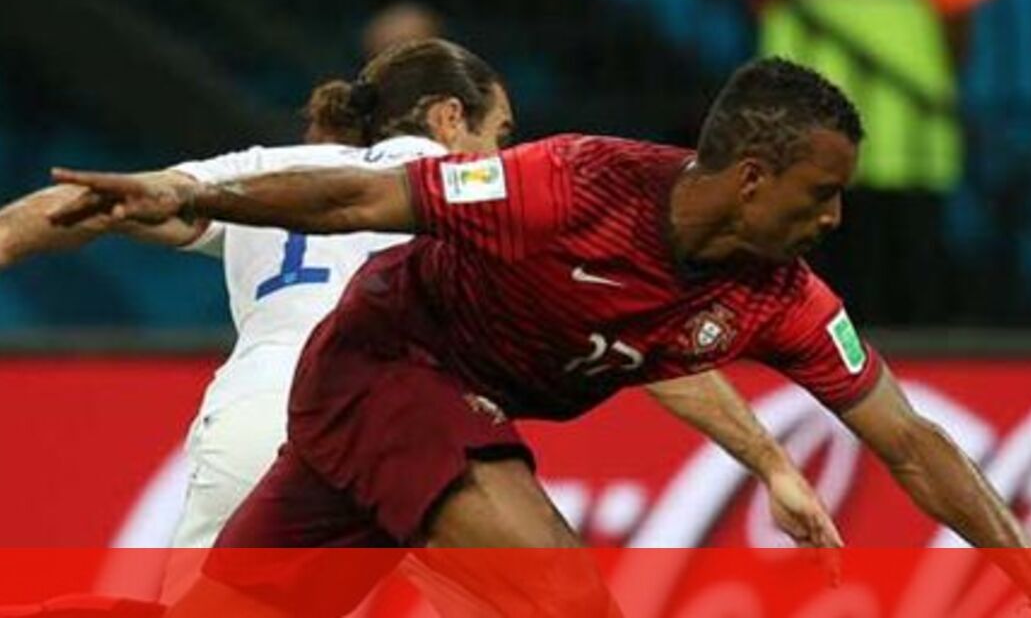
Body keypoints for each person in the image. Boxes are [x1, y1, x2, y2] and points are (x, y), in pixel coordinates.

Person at [53, 57, 1031, 618]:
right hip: (390, 366)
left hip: (385, 420)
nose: (834, 218)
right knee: (565, 599)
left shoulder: (781, 297)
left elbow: (910, 441)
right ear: (753, 178)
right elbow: (363, 198)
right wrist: (187, 191)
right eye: (820, 192)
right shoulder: (569, 185)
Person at [0, 41, 838, 611]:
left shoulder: (261, 172)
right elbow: (641, 340)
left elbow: (83, 205)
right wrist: (768, 460)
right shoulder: (492, 195)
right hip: (405, 428)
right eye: (500, 130)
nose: (505, 148)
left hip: (253, 421)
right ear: (448, 120)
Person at [742, 0, 997, 324]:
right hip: (905, 128)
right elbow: (958, 5)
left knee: (813, 297)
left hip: (801, 134)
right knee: (907, 295)